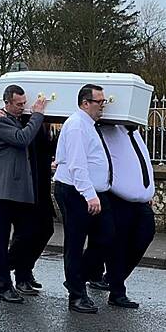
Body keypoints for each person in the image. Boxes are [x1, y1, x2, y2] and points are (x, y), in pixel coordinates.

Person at [53, 84, 115, 314]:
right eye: (99, 102)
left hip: (94, 192)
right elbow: (77, 164)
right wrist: (90, 195)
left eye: (103, 102)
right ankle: (76, 296)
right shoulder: (77, 126)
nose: (103, 107)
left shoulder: (90, 126)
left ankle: (77, 278)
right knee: (75, 243)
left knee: (107, 236)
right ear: (85, 103)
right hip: (75, 192)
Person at [0, 85, 47, 303]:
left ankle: (7, 268)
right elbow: (22, 139)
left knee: (28, 232)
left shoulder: (16, 119)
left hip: (17, 191)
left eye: (24, 104)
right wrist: (38, 114)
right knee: (2, 238)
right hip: (1, 191)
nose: (22, 107)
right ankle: (4, 285)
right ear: (7, 102)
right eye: (18, 104)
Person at [83, 124, 154, 308]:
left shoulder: (134, 133)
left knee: (145, 234)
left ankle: (109, 277)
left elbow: (139, 162)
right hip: (117, 198)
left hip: (140, 201)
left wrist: (144, 189)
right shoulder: (108, 130)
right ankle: (117, 291)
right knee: (118, 244)